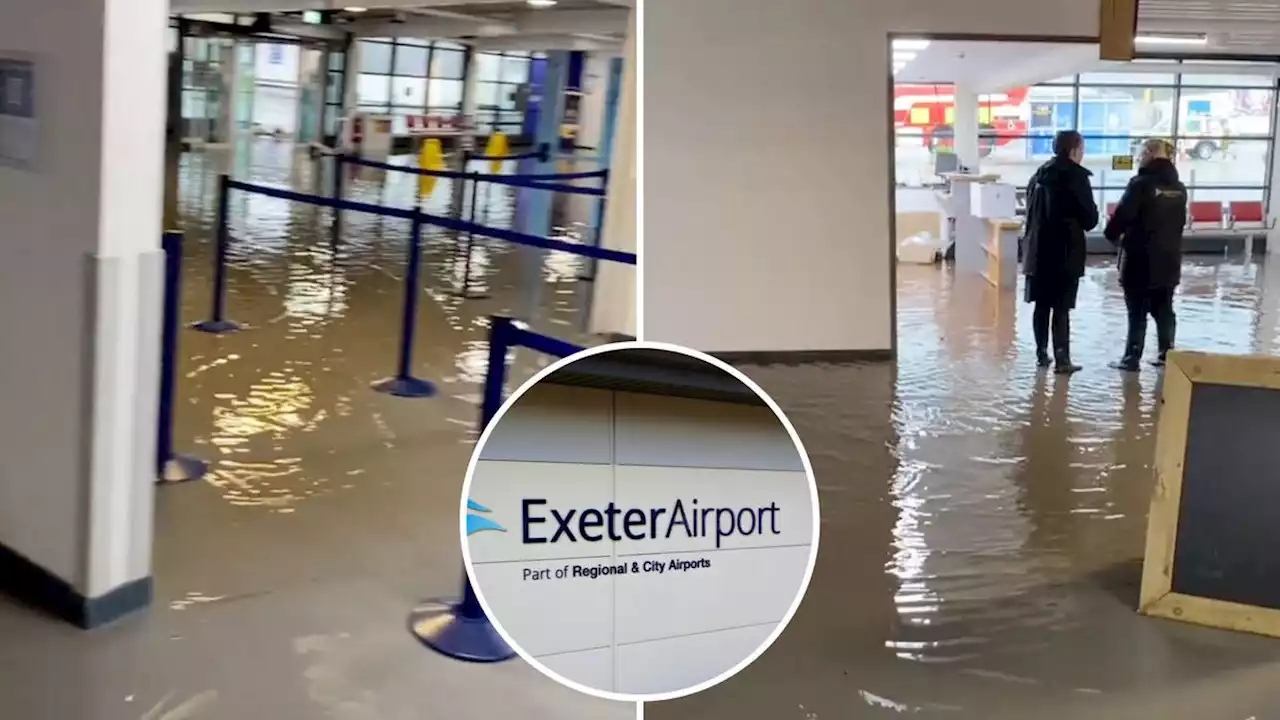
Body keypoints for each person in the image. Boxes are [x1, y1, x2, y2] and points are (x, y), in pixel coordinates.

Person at [1104, 139, 1186, 371]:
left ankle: (1132, 358)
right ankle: (1166, 354)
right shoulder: (1179, 189)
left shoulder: (1140, 184)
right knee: (1165, 308)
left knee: (1137, 310)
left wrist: (1111, 235)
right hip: (1170, 259)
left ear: (1150, 154)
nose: (1139, 158)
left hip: (1139, 259)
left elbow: (1122, 216)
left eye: (1141, 153)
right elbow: (1179, 224)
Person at [1023, 130, 1098, 374]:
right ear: (1074, 150)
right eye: (1082, 149)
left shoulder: (1038, 176)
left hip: (1037, 251)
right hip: (1065, 252)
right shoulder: (1076, 177)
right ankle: (1062, 359)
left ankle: (1041, 355)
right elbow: (1090, 219)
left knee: (1041, 305)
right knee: (1062, 307)